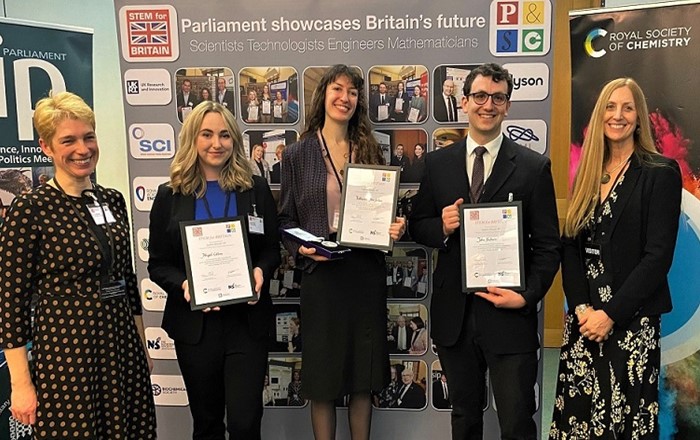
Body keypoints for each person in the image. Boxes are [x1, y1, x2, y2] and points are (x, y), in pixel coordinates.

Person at [409, 63, 561, 439]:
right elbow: (418, 224)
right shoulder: (437, 163)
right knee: (464, 418)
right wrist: (440, 227)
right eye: (480, 96)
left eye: (497, 97)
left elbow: (547, 247)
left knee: (516, 422)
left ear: (507, 106)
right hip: (455, 318)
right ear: (465, 102)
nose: (487, 105)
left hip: (509, 317)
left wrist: (525, 298)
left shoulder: (532, 167)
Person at [0, 91, 157, 438]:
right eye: (68, 141)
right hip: (67, 355)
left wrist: (141, 346)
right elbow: (10, 306)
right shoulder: (30, 210)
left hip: (121, 347)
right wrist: (21, 385)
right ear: (46, 147)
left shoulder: (112, 200)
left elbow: (127, 281)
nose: (83, 149)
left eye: (89, 137)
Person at [549, 78, 682, 439]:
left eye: (626, 108)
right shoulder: (589, 172)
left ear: (639, 117)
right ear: (599, 115)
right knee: (577, 422)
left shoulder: (660, 172)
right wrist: (582, 311)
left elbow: (657, 258)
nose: (617, 116)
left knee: (624, 427)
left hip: (629, 326)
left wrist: (609, 315)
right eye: (610, 107)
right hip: (584, 325)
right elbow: (570, 248)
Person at [279, 64, 406, 440]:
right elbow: (284, 219)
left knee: (362, 378)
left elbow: (384, 208)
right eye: (338, 89)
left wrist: (394, 227)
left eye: (352, 92)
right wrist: (301, 248)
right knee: (324, 379)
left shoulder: (370, 149)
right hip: (322, 279)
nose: (344, 98)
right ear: (324, 95)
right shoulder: (296, 155)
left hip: (364, 273)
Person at [148, 100, 280, 439]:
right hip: (196, 327)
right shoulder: (170, 195)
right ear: (192, 138)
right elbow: (158, 264)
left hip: (246, 325)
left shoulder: (255, 190)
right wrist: (185, 285)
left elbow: (271, 250)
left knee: (244, 422)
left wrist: (261, 273)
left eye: (224, 135)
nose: (216, 143)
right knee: (206, 424)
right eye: (206, 134)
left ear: (234, 141)